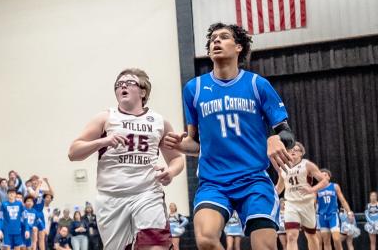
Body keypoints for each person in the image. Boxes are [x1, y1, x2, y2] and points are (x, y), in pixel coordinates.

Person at [163, 23, 294, 250]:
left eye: (224, 37)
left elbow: (286, 133)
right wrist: (178, 144)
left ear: (238, 47)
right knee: (205, 239)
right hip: (214, 182)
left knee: (264, 247)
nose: (216, 41)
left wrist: (275, 138)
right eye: (213, 38)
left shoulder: (257, 85)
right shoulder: (194, 89)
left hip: (253, 180)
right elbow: (195, 144)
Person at [68, 69, 184, 250]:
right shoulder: (106, 117)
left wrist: (171, 172)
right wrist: (103, 141)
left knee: (155, 246)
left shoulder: (159, 122)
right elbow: (73, 152)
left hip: (147, 193)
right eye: (118, 84)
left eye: (129, 82)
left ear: (143, 91)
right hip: (112, 198)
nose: (122, 85)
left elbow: (177, 159)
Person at [276, 142, 328, 250]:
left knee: (311, 236)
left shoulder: (307, 165)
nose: (293, 151)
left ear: (301, 153)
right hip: (290, 204)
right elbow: (279, 188)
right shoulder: (283, 168)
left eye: (296, 150)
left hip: (307, 204)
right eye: (291, 149)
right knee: (291, 236)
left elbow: (325, 181)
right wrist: (268, 193)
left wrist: (312, 189)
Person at [315, 170, 352, 250]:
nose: (323, 176)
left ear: (329, 177)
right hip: (322, 216)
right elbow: (313, 204)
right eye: (321, 175)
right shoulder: (317, 189)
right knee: (326, 241)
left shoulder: (334, 186)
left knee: (336, 239)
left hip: (332, 215)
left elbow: (342, 200)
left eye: (325, 175)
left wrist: (349, 212)